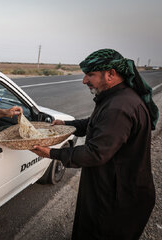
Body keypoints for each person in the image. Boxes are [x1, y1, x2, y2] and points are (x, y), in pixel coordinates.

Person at [32, 49, 159, 239]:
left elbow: (95, 153)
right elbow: (96, 123)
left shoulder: (119, 107)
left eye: (90, 74)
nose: (84, 81)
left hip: (117, 200)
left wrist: (52, 154)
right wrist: (67, 124)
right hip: (114, 189)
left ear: (111, 74)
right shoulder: (117, 98)